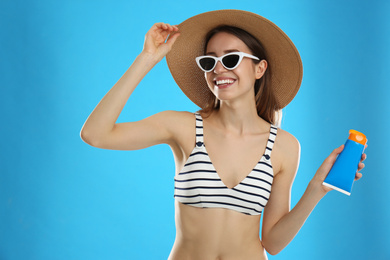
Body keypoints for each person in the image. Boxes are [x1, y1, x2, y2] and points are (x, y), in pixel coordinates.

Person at [81, 10, 366, 260]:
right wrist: (147, 58)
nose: (218, 69)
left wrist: (318, 188)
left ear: (259, 68)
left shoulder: (284, 146)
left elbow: (273, 243)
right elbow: (95, 134)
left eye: (231, 59)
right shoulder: (180, 127)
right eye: (209, 61)